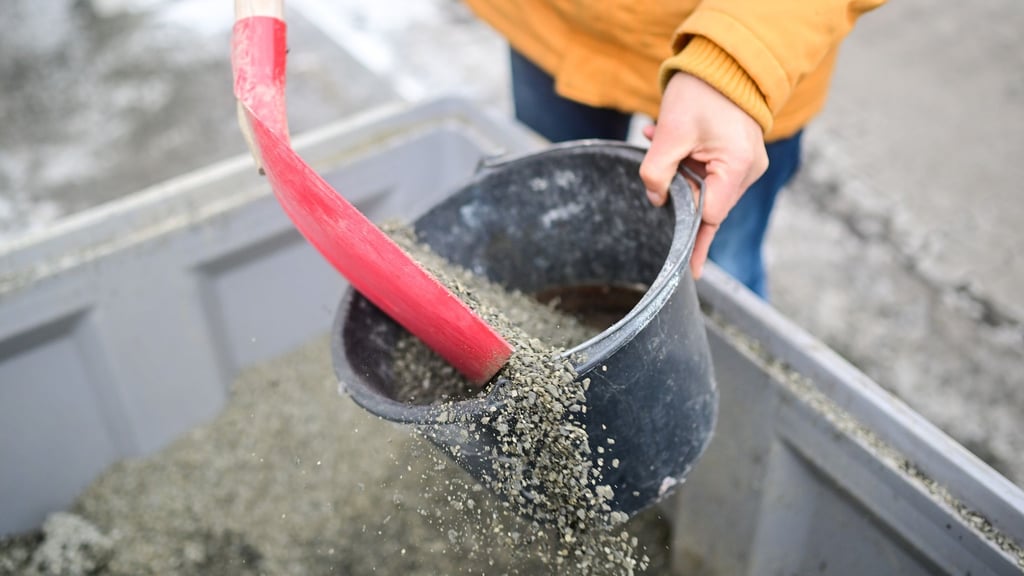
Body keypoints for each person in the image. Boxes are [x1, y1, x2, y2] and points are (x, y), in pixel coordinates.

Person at [463, 0, 887, 298]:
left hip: (752, 65)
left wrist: (737, 61)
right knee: (554, 233)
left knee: (721, 272)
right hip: (548, 24)